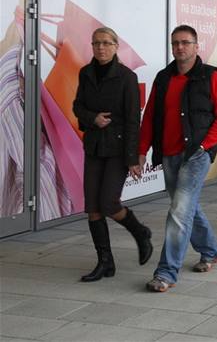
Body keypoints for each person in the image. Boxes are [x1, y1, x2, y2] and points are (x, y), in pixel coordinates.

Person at [139, 25, 217, 292]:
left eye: (185, 42)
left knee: (179, 211)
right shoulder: (163, 77)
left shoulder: (210, 76)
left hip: (196, 155)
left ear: (196, 45)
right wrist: (141, 150)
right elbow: (150, 118)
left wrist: (204, 146)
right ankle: (211, 250)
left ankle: (167, 272)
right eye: (175, 43)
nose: (180, 47)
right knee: (187, 208)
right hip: (168, 154)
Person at [72, 27, 152, 282]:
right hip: (94, 146)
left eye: (106, 43)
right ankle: (105, 262)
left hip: (117, 149)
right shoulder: (86, 73)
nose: (100, 48)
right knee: (92, 208)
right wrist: (92, 118)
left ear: (116, 46)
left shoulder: (126, 77)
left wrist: (132, 159)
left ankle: (140, 232)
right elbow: (77, 106)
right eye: (96, 43)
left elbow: (132, 120)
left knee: (108, 203)